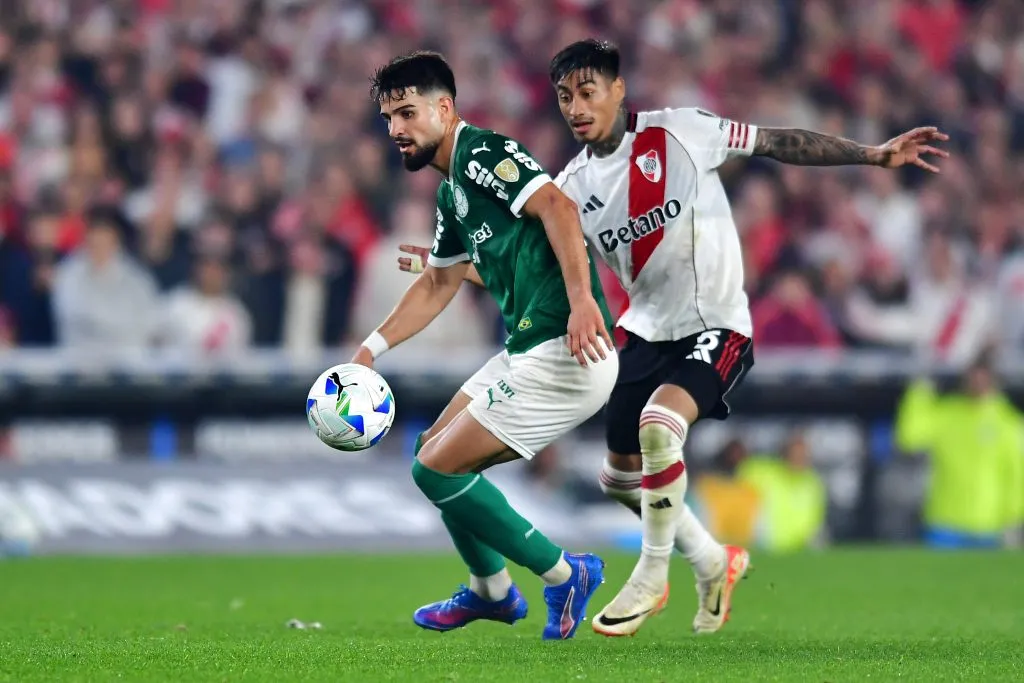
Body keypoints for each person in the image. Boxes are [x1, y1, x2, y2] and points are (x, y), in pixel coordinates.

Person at [398, 39, 949, 637]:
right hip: (645, 332)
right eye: (563, 98)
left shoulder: (682, 132)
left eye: (587, 93)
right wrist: (454, 267)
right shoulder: (573, 186)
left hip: (718, 324)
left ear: (618, 90)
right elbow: (533, 270)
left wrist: (872, 155)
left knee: (660, 429)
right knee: (618, 478)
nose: (576, 108)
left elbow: (777, 142)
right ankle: (713, 560)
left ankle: (651, 577)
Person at [351, 51, 619, 641]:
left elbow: (558, 206)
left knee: (433, 469)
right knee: (431, 449)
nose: (395, 129)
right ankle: (491, 591)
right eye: (387, 117)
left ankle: (563, 572)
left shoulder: (483, 153)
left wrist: (582, 301)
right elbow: (441, 280)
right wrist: (369, 351)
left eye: (407, 112)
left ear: (444, 109)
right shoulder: (452, 195)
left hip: (566, 349)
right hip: (531, 349)